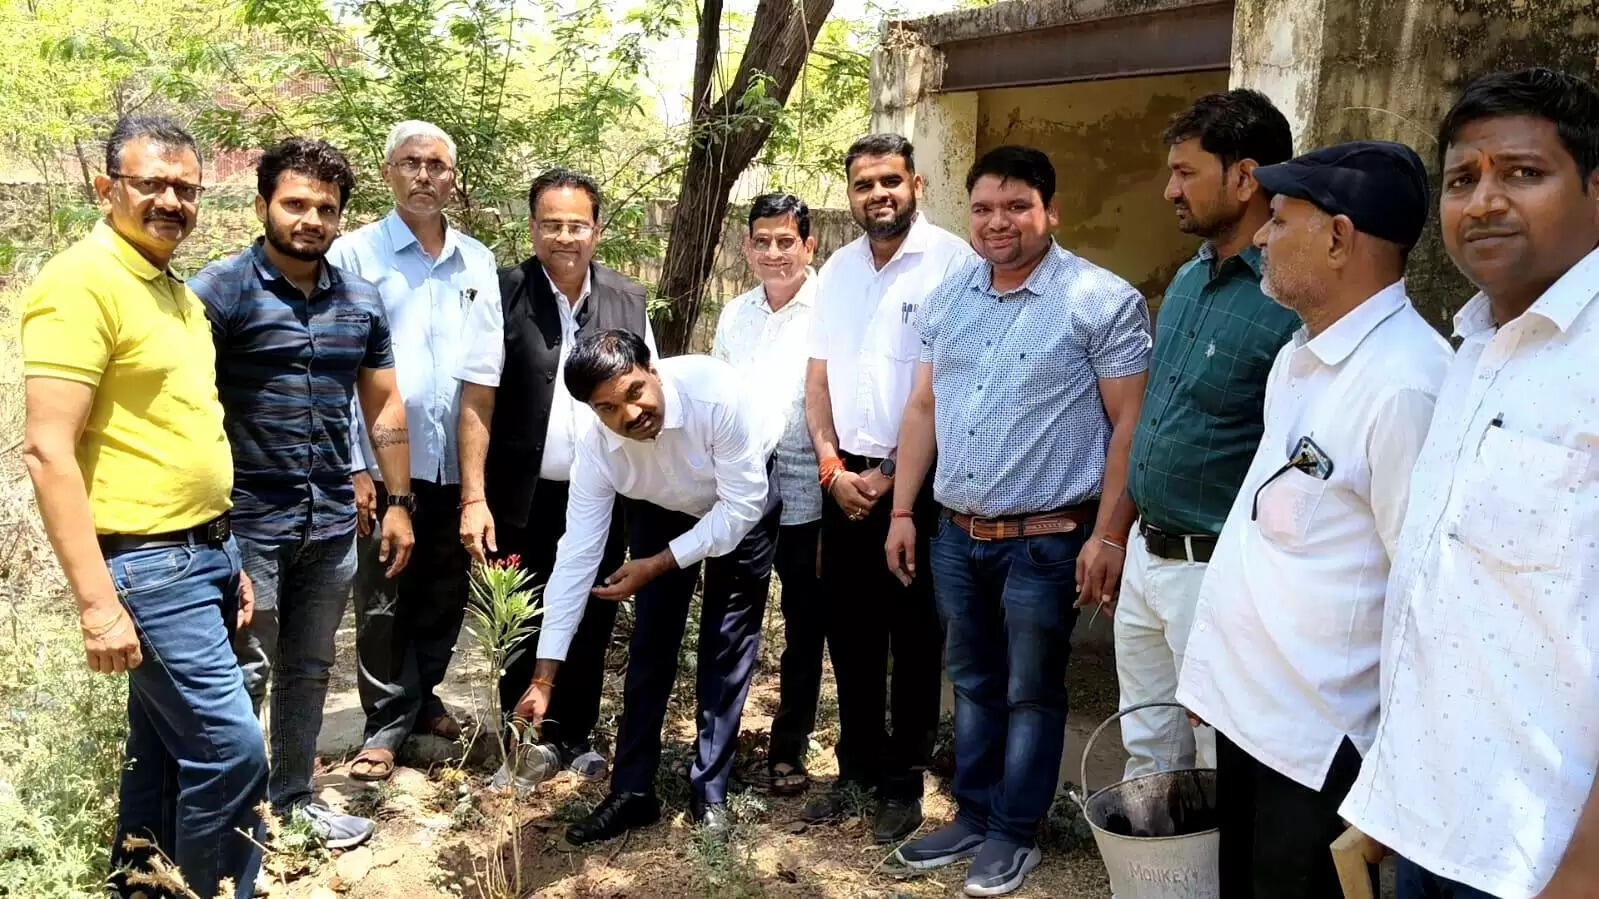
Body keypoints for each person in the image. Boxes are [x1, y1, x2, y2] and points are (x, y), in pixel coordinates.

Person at [1339, 68, 1599, 899]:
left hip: (1542, 859)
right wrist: (1390, 793)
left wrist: (1583, 870)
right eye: (1462, 180)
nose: (1483, 201)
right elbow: (1444, 598)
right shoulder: (1475, 349)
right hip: (1431, 827)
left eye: (1522, 172)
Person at [1174, 140, 1450, 897]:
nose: (1260, 235)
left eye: (1279, 218)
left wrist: (1394, 779)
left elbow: (1424, 599)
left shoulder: (1406, 386)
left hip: (1319, 747)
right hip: (1249, 718)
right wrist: (1212, 671)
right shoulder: (1299, 355)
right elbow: (1271, 531)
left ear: (1338, 238)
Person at [888, 146, 1151, 897]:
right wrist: (903, 509)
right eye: (983, 208)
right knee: (972, 681)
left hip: (1047, 540)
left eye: (1015, 206)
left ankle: (1014, 830)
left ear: (1050, 211)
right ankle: (974, 815)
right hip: (955, 533)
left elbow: (1129, 425)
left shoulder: (1099, 300)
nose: (996, 222)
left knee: (1031, 689)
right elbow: (923, 407)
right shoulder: (949, 297)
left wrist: (1109, 534)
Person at [20, 114, 266, 898]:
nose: (171, 200)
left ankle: (141, 888)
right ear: (106, 187)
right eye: (151, 183)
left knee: (160, 758)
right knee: (232, 752)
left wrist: (226, 552)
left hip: (204, 553)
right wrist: (98, 604)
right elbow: (47, 449)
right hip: (149, 565)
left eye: (186, 188)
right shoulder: (80, 283)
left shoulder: (172, 291)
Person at [188, 138, 415, 849]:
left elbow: (383, 405)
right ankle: (229, 824)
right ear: (263, 206)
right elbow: (183, 406)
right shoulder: (218, 293)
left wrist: (398, 501)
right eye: (295, 203)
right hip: (244, 524)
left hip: (330, 523)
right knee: (244, 671)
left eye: (326, 207)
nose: (311, 219)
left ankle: (290, 801)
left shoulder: (360, 301)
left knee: (309, 669)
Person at [513, 330, 781, 845]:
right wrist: (544, 678)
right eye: (608, 408)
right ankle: (633, 791)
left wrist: (658, 564)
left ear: (652, 370)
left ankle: (710, 791)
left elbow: (742, 505)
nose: (630, 414)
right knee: (651, 643)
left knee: (726, 643)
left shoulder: (714, 394)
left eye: (635, 392)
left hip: (742, 496)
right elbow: (577, 555)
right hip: (660, 504)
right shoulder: (597, 448)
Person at [1109, 90, 1300, 777]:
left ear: (1245, 177)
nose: (1170, 191)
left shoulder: (1289, 299)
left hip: (1218, 571)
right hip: (1147, 557)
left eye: (1185, 173)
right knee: (1148, 750)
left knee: (1221, 765)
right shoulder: (1189, 279)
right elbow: (1156, 416)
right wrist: (1116, 534)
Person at [802, 133, 976, 843]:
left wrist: (888, 477)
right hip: (842, 481)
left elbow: (948, 389)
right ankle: (856, 770)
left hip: (919, 486)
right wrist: (831, 468)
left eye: (890, 181)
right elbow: (817, 381)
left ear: (916, 185)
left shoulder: (953, 264)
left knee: (913, 636)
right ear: (850, 194)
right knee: (849, 632)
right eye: (864, 184)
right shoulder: (838, 269)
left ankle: (903, 782)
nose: (877, 194)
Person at [456, 167, 654, 781]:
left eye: (577, 225)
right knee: (520, 613)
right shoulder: (502, 292)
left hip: (603, 493)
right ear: (533, 228)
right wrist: (473, 497)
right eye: (552, 225)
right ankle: (522, 743)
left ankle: (575, 736)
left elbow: (648, 393)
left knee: (593, 608)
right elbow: (477, 399)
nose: (565, 237)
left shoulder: (627, 298)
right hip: (520, 494)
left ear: (597, 230)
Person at [328, 120, 501, 781]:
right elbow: (338, 368)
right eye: (410, 163)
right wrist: (353, 463)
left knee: (443, 590)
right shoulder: (355, 255)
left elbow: (482, 376)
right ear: (388, 173)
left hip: (453, 459)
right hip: (381, 463)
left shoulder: (476, 261)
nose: (424, 175)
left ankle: (422, 697)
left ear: (453, 178)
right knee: (382, 594)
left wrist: (474, 486)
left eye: (436, 165)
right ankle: (383, 726)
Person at [711, 192, 823, 796]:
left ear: (809, 245)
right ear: (747, 247)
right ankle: (717, 752)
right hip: (743, 490)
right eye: (762, 242)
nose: (774, 253)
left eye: (786, 241)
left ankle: (788, 749)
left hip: (810, 491)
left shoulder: (832, 309)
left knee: (805, 627)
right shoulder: (735, 315)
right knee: (733, 624)